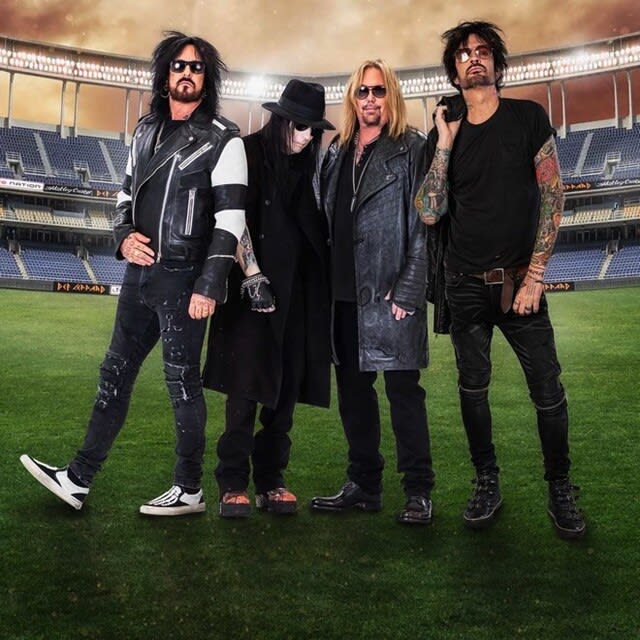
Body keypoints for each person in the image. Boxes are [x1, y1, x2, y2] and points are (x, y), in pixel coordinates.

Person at [20, 31, 270, 516]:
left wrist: (209, 284)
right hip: (140, 276)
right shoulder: (143, 130)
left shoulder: (224, 138)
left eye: (196, 67)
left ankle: (189, 488)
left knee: (181, 384)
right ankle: (78, 478)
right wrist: (122, 236)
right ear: (164, 74)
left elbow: (231, 220)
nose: (186, 73)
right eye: (178, 65)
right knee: (114, 373)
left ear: (207, 78)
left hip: (185, 279)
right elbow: (124, 194)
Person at [416, 21, 586, 539]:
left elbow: (554, 195)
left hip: (520, 283)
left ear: (496, 63)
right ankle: (486, 480)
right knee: (473, 389)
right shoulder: (444, 133)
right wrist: (445, 143)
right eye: (463, 54)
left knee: (548, 391)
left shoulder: (527, 117)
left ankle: (560, 485)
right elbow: (429, 211)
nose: (474, 59)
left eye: (483, 51)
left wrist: (536, 275)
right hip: (464, 285)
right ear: (454, 70)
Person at [310, 60, 435, 524]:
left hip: (391, 295)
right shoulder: (337, 150)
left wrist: (410, 287)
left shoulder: (412, 147)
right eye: (362, 91)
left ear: (391, 96)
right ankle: (364, 484)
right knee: (354, 397)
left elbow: (426, 224)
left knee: (404, 395)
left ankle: (418, 490)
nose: (370, 99)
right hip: (343, 296)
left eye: (378, 91)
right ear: (352, 98)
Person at [202, 80, 334, 518]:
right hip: (251, 293)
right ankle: (232, 482)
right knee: (244, 389)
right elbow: (231, 214)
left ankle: (271, 480)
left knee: (285, 392)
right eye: (301, 126)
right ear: (281, 120)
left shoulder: (310, 163)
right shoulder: (246, 151)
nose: (308, 136)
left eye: (314, 129)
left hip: (300, 295)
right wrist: (253, 274)